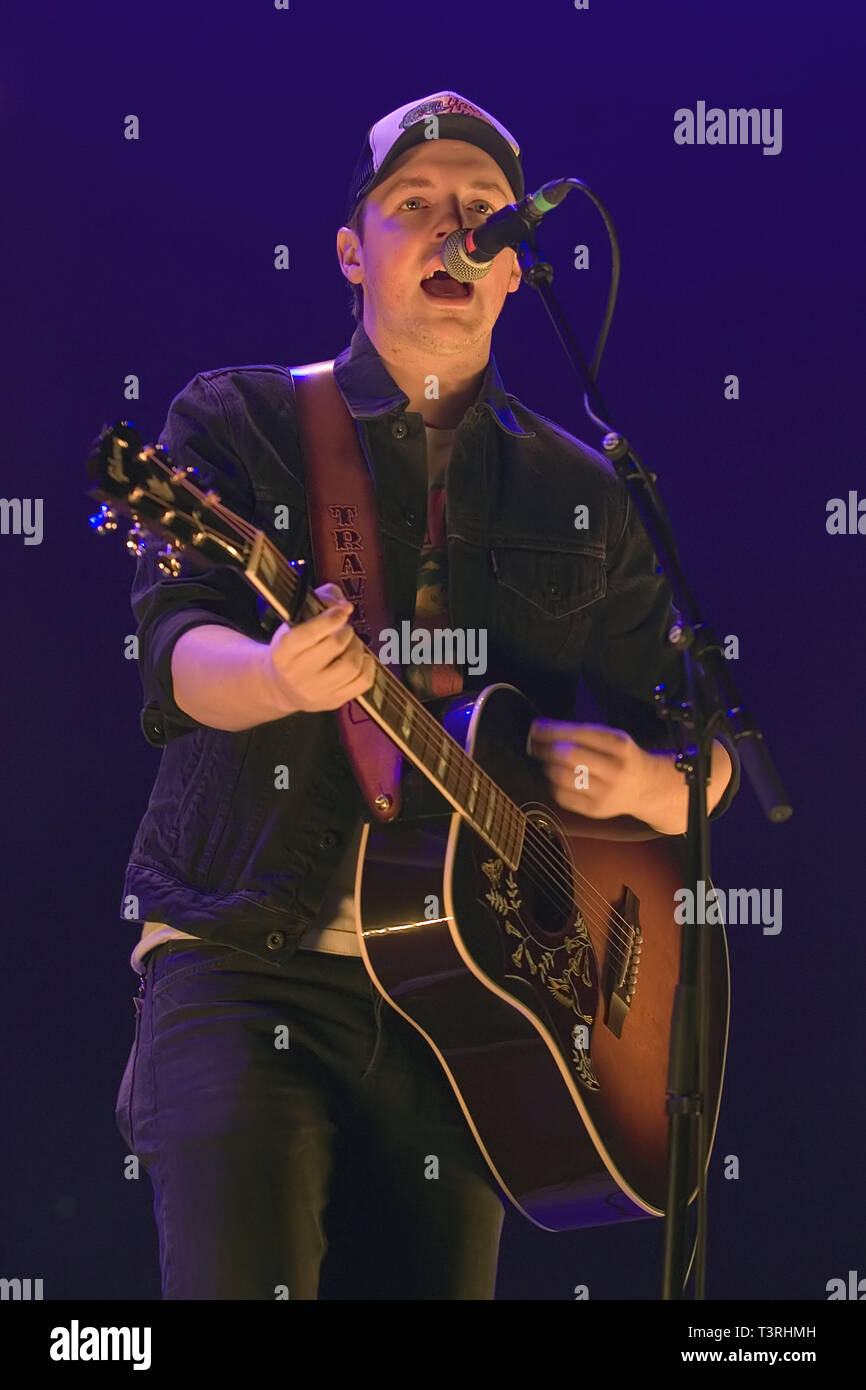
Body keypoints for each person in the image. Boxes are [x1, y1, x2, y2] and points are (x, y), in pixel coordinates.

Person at [114, 90, 739, 1301]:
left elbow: (711, 740)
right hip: (248, 951)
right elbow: (176, 650)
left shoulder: (584, 486)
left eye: (481, 214)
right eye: (414, 207)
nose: (452, 231)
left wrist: (660, 787)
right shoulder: (238, 418)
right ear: (352, 252)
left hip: (473, 1002)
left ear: (513, 271)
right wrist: (275, 673)